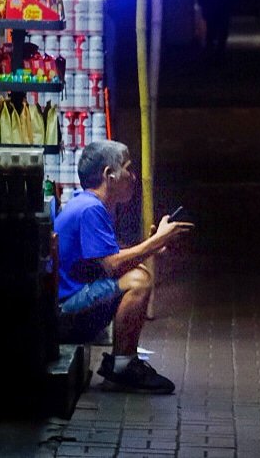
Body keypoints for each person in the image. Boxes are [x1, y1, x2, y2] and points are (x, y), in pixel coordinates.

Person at [53, 139, 194, 393]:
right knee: (138, 280)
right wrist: (157, 240)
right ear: (110, 175)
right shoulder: (90, 209)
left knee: (136, 273)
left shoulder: (91, 205)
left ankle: (124, 362)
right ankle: (123, 366)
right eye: (128, 169)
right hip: (64, 312)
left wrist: (152, 246)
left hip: (71, 302)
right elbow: (112, 265)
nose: (133, 176)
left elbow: (113, 255)